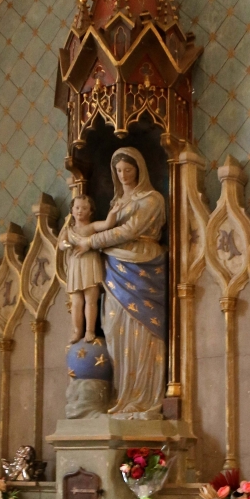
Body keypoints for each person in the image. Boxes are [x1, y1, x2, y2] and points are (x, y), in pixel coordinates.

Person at [72, 147, 167, 418]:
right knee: (114, 330)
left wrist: (89, 242)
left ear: (139, 170)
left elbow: (129, 231)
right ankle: (122, 396)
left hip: (143, 269)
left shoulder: (152, 199)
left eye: (128, 169)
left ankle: (144, 398)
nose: (123, 175)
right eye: (119, 170)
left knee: (143, 333)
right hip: (114, 270)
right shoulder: (116, 204)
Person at [59, 194, 119, 342]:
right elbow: (61, 244)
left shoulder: (92, 227)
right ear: (72, 210)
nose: (80, 211)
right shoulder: (68, 230)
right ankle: (77, 331)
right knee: (76, 302)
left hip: (89, 265)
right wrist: (66, 245)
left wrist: (113, 213)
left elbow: (107, 225)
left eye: (84, 208)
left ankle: (89, 330)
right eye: (77, 207)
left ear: (90, 211)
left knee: (91, 300)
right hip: (75, 265)